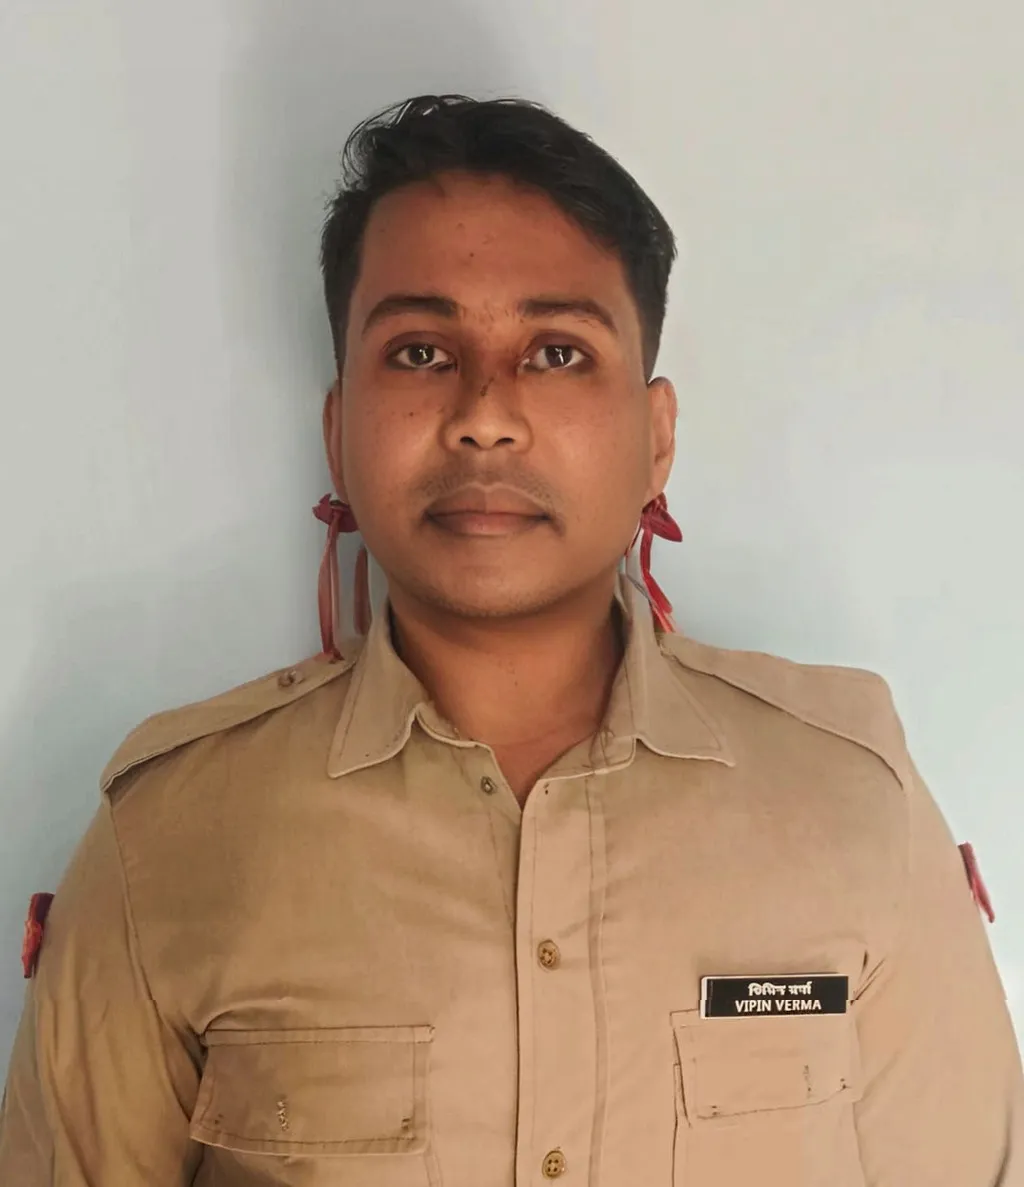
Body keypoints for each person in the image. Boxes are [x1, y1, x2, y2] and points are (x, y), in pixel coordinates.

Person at [0, 93, 1021, 1187]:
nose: (485, 413)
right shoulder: (172, 833)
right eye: (421, 350)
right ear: (338, 431)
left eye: (557, 352)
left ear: (656, 437)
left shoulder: (849, 796)